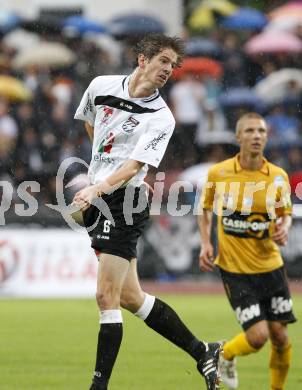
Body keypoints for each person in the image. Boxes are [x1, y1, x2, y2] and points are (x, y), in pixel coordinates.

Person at [72, 33, 221, 390]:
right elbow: (92, 124)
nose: (169, 69)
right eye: (164, 61)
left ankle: (98, 386)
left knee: (105, 296)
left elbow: (135, 166)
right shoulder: (100, 85)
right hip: (102, 199)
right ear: (143, 60)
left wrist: (98, 185)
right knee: (129, 297)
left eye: (173, 65)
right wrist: (100, 169)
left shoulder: (162, 117)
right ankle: (203, 351)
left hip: (125, 201)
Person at [198, 112, 297, 390]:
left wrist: (284, 226)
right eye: (251, 131)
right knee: (257, 337)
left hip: (271, 266)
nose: (257, 136)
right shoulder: (219, 173)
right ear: (238, 137)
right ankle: (224, 353)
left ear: (266, 137)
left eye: (261, 131)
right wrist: (206, 243)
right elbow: (205, 208)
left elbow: (285, 213)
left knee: (280, 336)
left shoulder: (278, 177)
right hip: (235, 269)